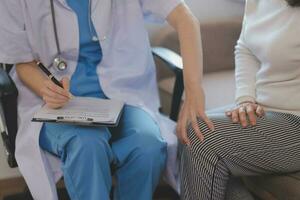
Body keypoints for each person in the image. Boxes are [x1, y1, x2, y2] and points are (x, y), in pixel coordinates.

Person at [0, 0, 207, 199]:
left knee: (148, 145)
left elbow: (185, 18)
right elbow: (22, 62)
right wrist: (45, 88)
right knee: (86, 145)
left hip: (122, 95)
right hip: (53, 105)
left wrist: (194, 90)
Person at [179, 0, 300, 199]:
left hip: (295, 117)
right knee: (190, 127)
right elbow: (245, 47)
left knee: (202, 141)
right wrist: (245, 99)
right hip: (265, 108)